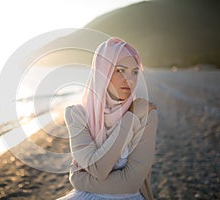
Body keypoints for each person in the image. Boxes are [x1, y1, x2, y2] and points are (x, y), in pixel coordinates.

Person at [57, 37, 158, 200]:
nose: (130, 79)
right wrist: (129, 118)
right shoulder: (77, 114)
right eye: (120, 70)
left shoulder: (146, 114)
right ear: (102, 72)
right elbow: (98, 168)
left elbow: (131, 184)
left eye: (135, 72)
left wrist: (78, 179)